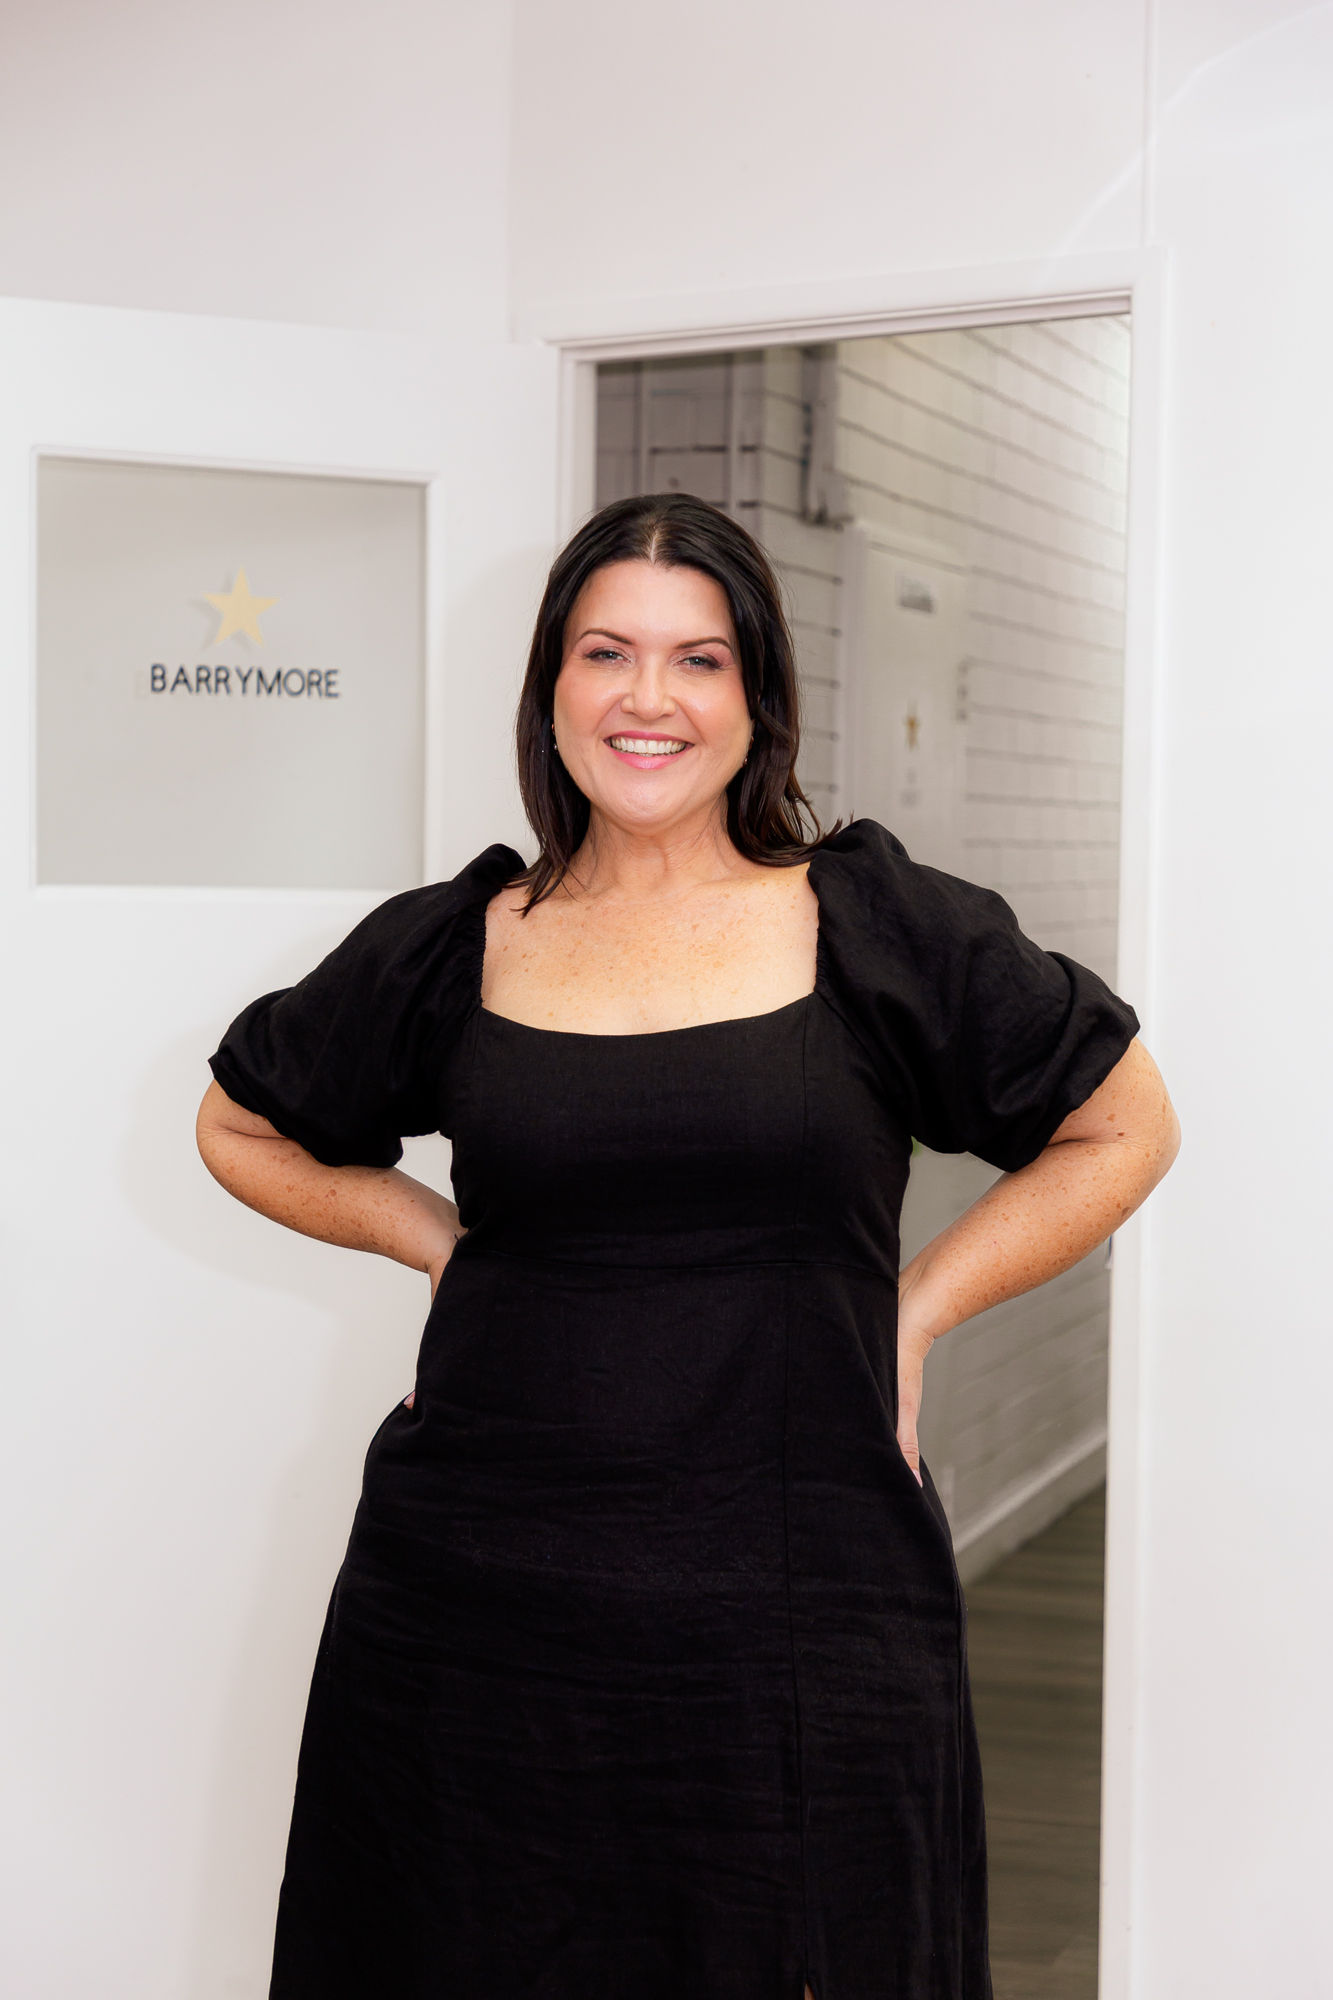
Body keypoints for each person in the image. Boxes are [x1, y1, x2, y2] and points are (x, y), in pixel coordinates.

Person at [198, 493, 1178, 2000]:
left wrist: (912, 1309)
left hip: (802, 1594)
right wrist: (441, 1248)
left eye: (697, 659)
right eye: (606, 653)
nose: (645, 698)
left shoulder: (875, 926)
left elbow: (1123, 1129)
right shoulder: (460, 943)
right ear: (552, 687)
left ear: (756, 694)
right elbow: (241, 1124)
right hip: (478, 1602)